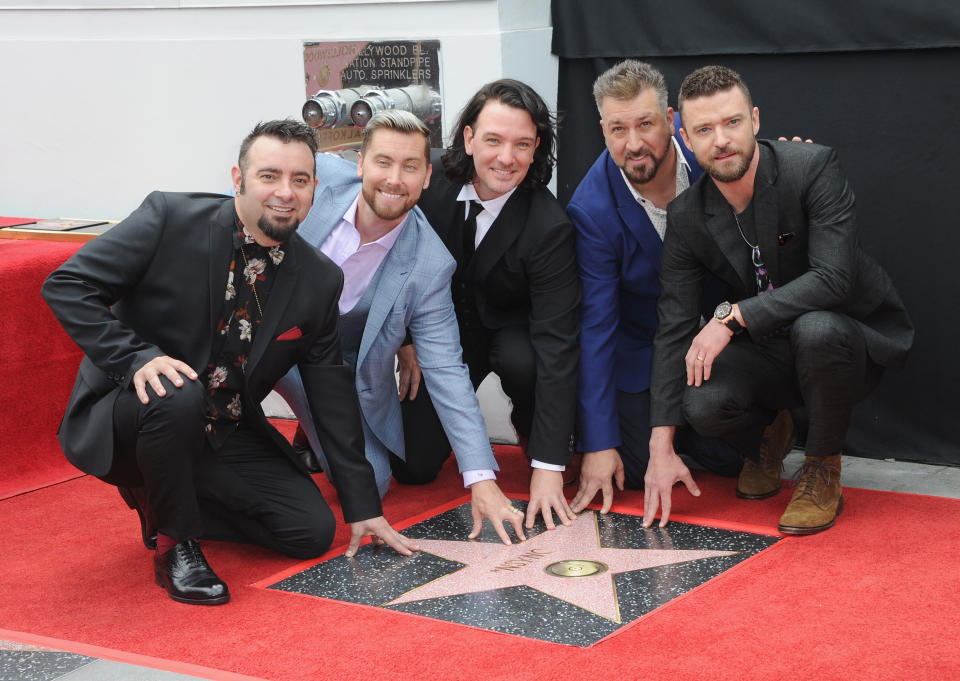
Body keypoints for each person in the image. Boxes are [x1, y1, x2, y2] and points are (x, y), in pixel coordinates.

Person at [41, 119, 417, 606]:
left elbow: (330, 390)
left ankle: (158, 495)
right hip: (133, 412)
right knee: (179, 389)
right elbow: (68, 285)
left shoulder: (319, 279)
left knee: (309, 530)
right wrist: (135, 358)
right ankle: (175, 544)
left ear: (314, 189)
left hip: (224, 426)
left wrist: (362, 505)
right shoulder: (169, 218)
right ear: (238, 179)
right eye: (269, 176)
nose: (285, 192)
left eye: (299, 180)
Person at [645, 66, 914, 534]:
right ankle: (769, 437)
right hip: (770, 349)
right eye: (704, 130)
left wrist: (731, 318)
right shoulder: (687, 215)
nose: (721, 140)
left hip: (847, 340)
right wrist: (660, 447)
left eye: (732, 122)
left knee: (817, 328)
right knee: (702, 402)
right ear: (685, 139)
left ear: (754, 120)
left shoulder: (811, 167)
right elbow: (673, 325)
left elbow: (832, 279)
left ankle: (821, 467)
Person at [274, 110, 526, 544]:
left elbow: (447, 370)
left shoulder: (430, 264)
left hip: (328, 368)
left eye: (410, 167)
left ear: (427, 177)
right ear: (359, 164)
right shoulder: (314, 179)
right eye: (383, 162)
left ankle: (309, 425)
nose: (394, 179)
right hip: (253, 334)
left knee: (372, 483)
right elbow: (233, 209)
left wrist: (481, 479)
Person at [567, 60, 748, 516]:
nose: (634, 144)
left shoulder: (713, 158)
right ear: (603, 130)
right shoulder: (590, 208)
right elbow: (597, 326)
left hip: (723, 339)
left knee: (730, 456)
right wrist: (597, 443)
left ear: (671, 121)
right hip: (643, 351)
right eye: (618, 129)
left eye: (646, 124)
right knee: (628, 465)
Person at [405, 79, 581, 531]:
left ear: (536, 146)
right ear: (468, 137)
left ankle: (534, 431)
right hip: (443, 336)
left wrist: (549, 466)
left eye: (522, 144)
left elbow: (558, 343)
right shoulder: (430, 187)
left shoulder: (549, 225)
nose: (507, 158)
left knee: (526, 360)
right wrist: (407, 344)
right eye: (493, 140)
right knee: (412, 466)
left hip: (517, 338)